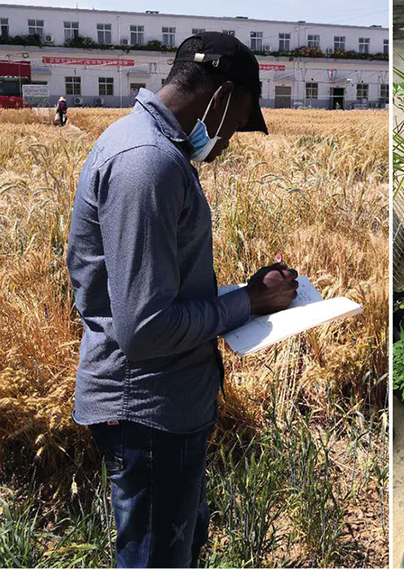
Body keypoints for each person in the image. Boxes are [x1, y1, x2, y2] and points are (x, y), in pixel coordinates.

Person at [66, 32, 299, 568]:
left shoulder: (149, 148)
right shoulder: (147, 164)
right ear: (222, 97)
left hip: (166, 410)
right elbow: (145, 328)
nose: (228, 142)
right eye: (238, 123)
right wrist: (247, 306)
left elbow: (155, 293)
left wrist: (245, 293)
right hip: (150, 413)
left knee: (176, 551)